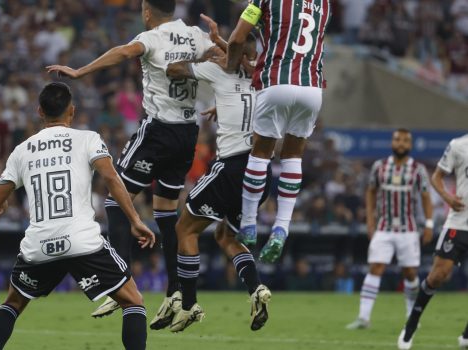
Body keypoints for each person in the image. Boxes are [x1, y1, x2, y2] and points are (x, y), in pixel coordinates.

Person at [47, 0, 219, 328]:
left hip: (158, 132)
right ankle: (175, 291)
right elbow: (222, 57)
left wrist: (81, 71)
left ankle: (120, 284)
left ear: (147, 11)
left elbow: (125, 52)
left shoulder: (151, 37)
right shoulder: (196, 36)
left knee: (115, 201)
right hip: (188, 134)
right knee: (167, 213)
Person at [0, 82, 156, 350]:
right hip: (81, 241)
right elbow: (111, 178)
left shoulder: (22, 150)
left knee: (12, 304)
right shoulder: (88, 139)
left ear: (40, 111)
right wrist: (135, 219)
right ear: (72, 111)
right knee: (133, 301)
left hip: (39, 245)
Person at [164, 28, 273, 333]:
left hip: (232, 167)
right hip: (261, 172)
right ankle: (256, 289)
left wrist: (206, 55)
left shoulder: (218, 71)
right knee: (226, 237)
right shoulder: (267, 78)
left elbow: (173, 70)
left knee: (184, 227)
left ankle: (188, 305)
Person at [225, 0, 331, 263]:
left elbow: (238, 37)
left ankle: (248, 223)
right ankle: (281, 228)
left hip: (277, 81)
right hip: (312, 87)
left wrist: (231, 64)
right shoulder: (324, 4)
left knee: (261, 152)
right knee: (293, 157)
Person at [346, 129, 433, 330]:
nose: (401, 143)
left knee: (410, 273)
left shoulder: (417, 169)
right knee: (375, 267)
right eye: (397, 140)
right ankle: (363, 318)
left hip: (408, 228)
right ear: (392, 143)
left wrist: (428, 224)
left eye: (405, 140)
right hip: (384, 227)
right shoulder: (380, 167)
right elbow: (370, 192)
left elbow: (426, 197)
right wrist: (370, 220)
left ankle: (412, 316)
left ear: (410, 145)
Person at [398, 134, 468, 350]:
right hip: (460, 222)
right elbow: (436, 177)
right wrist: (447, 198)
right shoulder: (458, 145)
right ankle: (411, 324)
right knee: (438, 275)